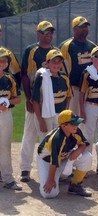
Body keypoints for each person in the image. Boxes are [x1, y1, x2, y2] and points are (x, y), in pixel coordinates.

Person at [20, 21, 57, 182]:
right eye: (44, 32)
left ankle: (50, 167)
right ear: (38, 33)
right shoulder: (31, 50)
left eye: (50, 32)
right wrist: (28, 98)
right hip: (35, 98)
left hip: (51, 101)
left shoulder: (55, 52)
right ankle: (25, 169)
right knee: (29, 134)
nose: (47, 34)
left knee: (49, 135)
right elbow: (25, 76)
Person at [37, 110, 92, 198]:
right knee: (48, 194)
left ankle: (75, 185)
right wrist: (50, 180)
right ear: (64, 126)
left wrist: (77, 151)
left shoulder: (76, 131)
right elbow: (53, 162)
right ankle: (55, 177)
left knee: (87, 157)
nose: (76, 126)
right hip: (47, 160)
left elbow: (84, 143)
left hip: (63, 156)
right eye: (73, 124)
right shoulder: (57, 139)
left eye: (76, 123)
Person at [32, 49, 72, 141]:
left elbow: (68, 96)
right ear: (47, 63)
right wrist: (40, 121)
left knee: (59, 142)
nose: (56, 64)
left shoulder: (64, 77)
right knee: (46, 145)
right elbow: (35, 100)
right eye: (54, 61)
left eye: (59, 62)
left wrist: (66, 113)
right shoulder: (42, 77)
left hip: (60, 115)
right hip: (45, 116)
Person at [59, 16, 96, 115]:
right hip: (73, 89)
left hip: (89, 88)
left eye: (86, 26)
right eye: (81, 26)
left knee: (87, 118)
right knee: (72, 117)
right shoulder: (66, 46)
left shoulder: (92, 46)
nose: (84, 29)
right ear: (74, 28)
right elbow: (59, 68)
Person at [0, 48, 22, 190]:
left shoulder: (10, 78)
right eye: (0, 60)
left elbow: (18, 99)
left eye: (4, 61)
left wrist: (8, 102)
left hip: (6, 115)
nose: (2, 63)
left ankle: (8, 179)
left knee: (5, 146)